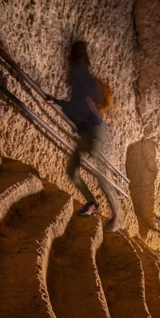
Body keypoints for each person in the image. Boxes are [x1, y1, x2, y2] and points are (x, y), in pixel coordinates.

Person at [46, 41, 121, 232]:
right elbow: (78, 106)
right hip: (86, 131)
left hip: (95, 132)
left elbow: (78, 109)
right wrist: (57, 101)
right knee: (72, 170)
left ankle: (117, 216)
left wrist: (58, 102)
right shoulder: (82, 75)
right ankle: (93, 202)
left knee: (100, 173)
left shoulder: (80, 75)